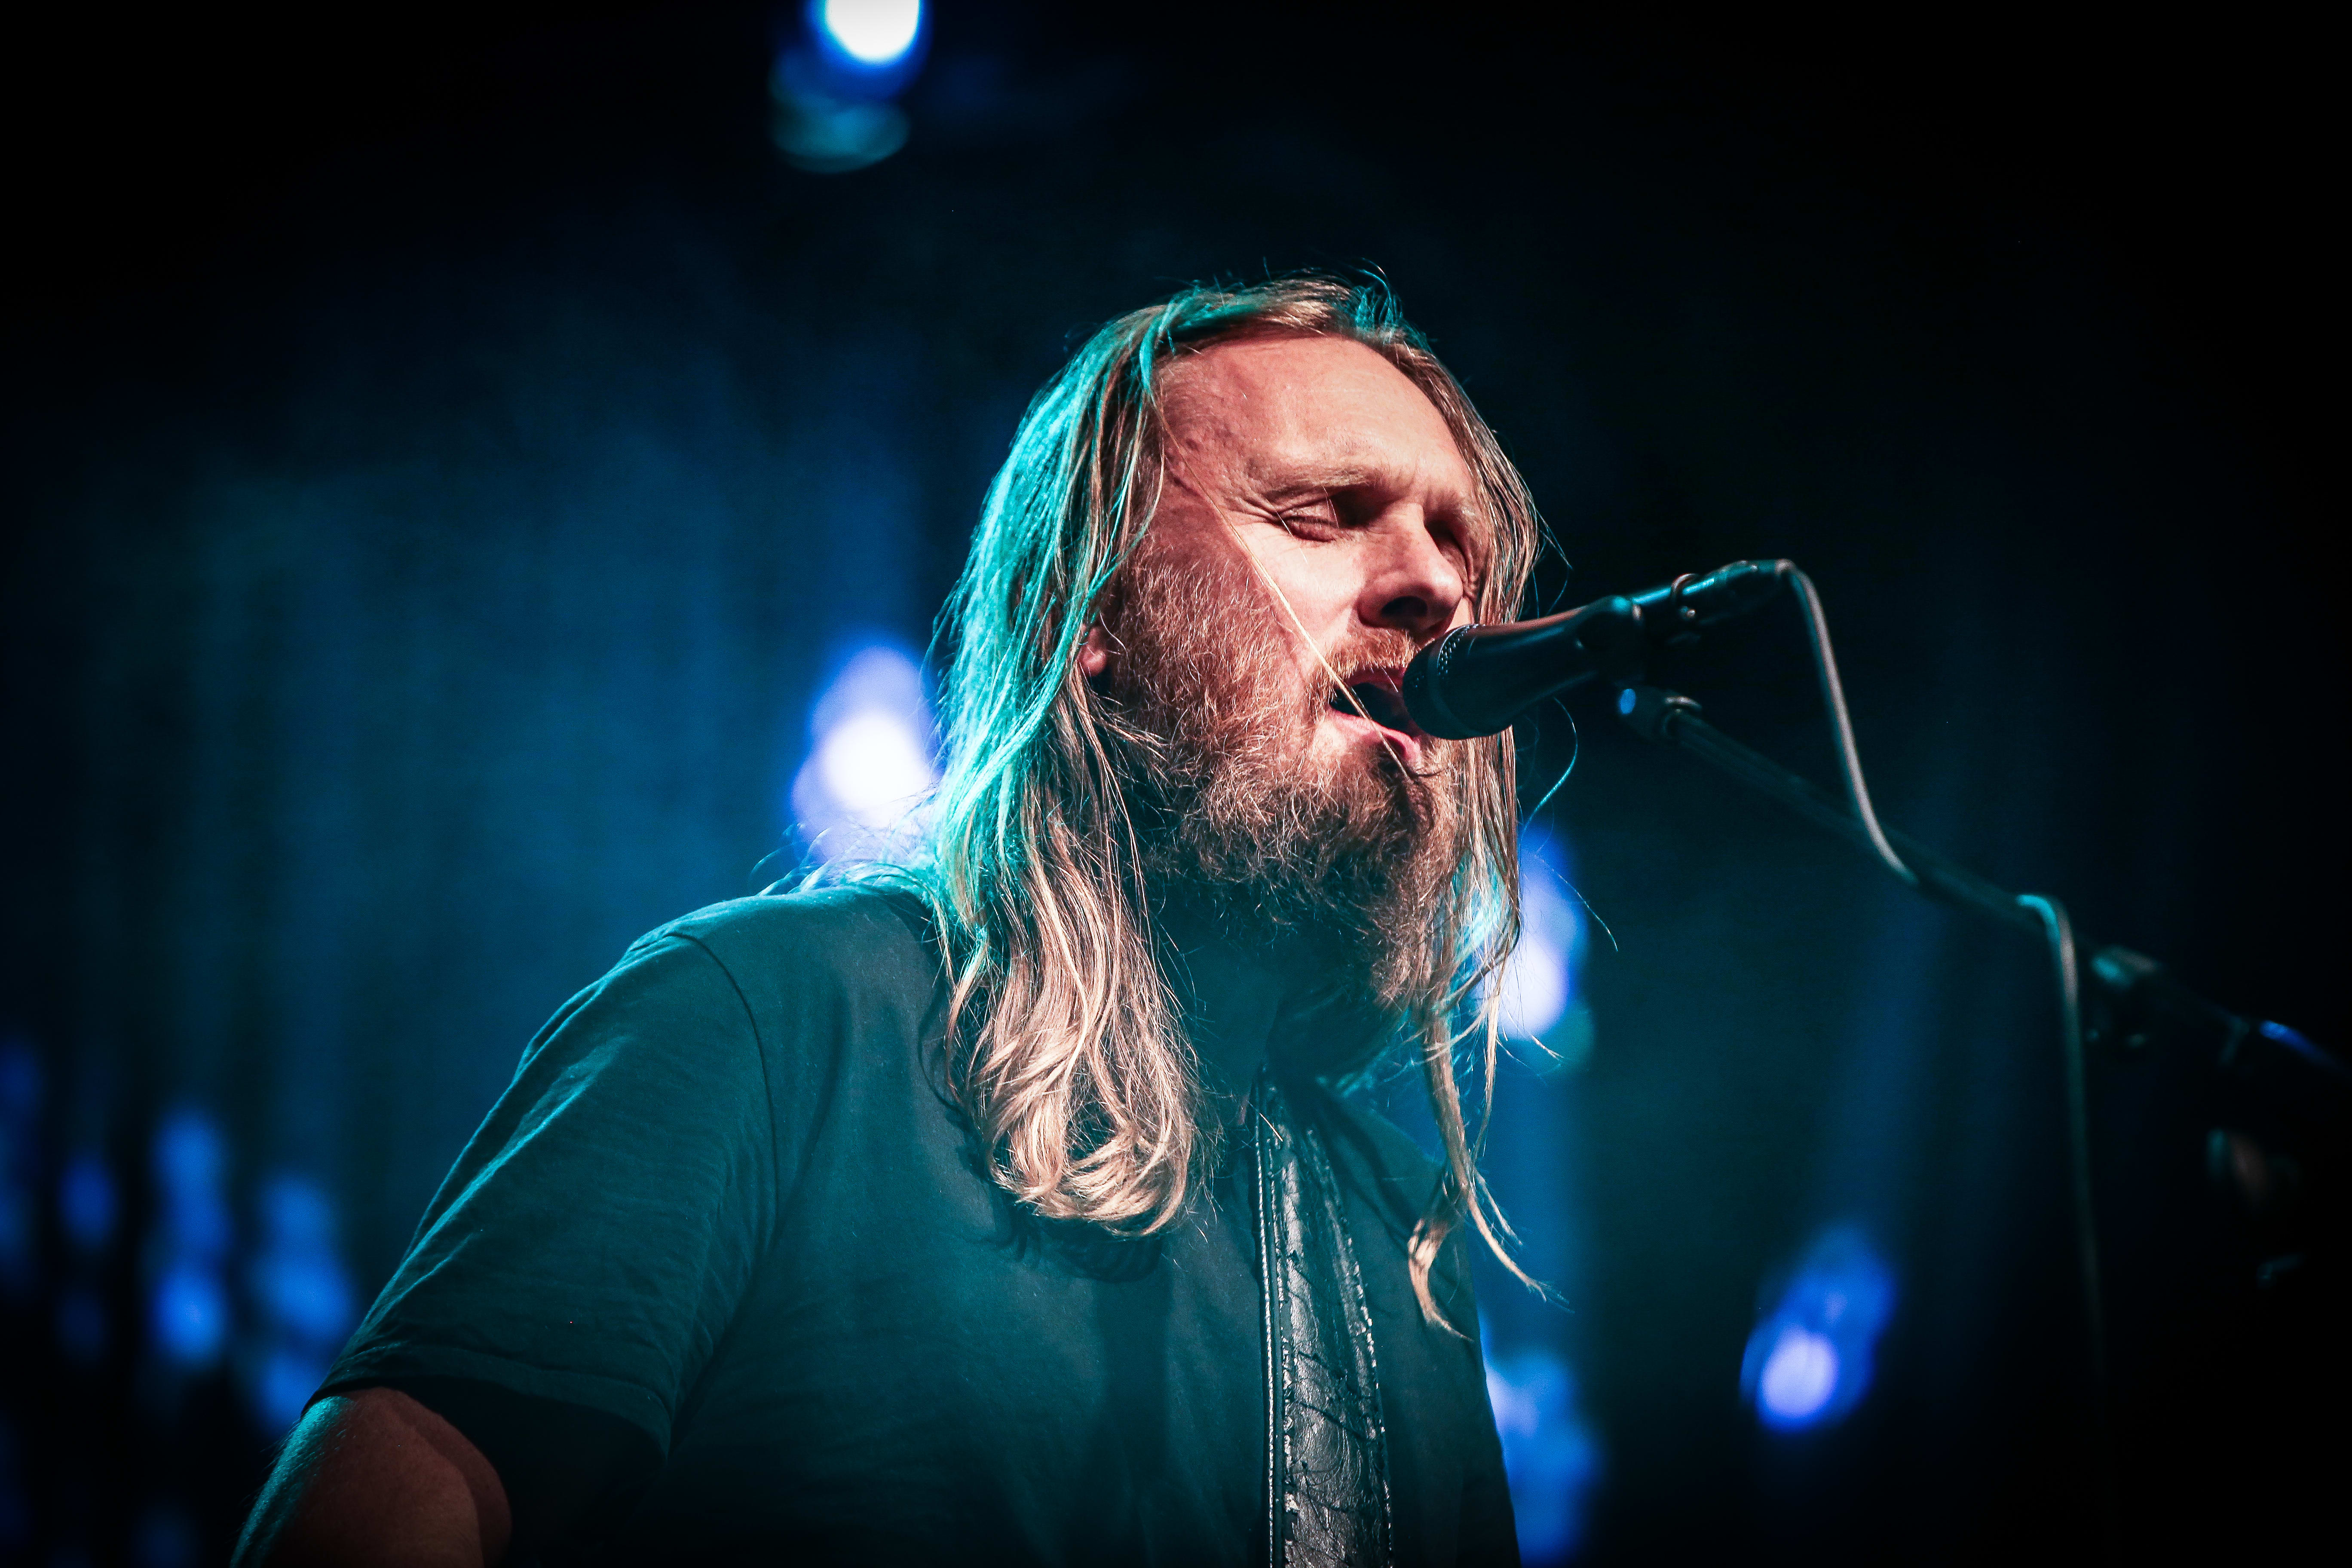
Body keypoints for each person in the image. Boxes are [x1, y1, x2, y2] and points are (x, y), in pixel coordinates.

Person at [236, 275, 1547, 1567]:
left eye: (1462, 551)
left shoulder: (1392, 1220)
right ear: (1090, 609)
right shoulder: (770, 1018)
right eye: (1322, 514)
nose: (1433, 587)